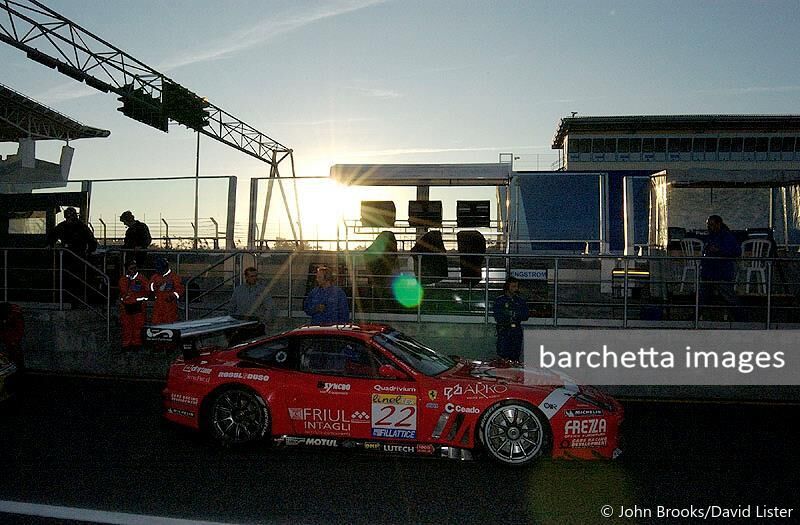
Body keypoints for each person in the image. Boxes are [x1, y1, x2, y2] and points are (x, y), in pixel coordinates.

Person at [700, 215, 741, 319]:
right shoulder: (711, 237)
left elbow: (736, 252)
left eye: (712, 225)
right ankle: (698, 316)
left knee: (728, 297)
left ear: (718, 224)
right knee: (704, 297)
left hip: (720, 272)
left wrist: (719, 251)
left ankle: (741, 318)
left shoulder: (726, 237)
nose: (709, 227)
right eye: (708, 225)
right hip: (710, 272)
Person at [492, 276, 530, 362]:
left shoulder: (520, 301)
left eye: (516, 286)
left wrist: (516, 314)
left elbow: (526, 315)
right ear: (507, 287)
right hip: (504, 329)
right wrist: (508, 315)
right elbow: (498, 316)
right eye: (513, 286)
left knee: (515, 355)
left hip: (516, 329)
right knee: (503, 355)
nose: (515, 289)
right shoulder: (500, 300)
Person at [118, 259, 149, 351]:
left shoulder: (142, 278)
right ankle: (126, 344)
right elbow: (123, 291)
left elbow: (148, 290)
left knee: (138, 325)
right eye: (131, 268)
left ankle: (137, 344)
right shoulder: (123, 279)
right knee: (126, 326)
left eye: (135, 268)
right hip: (126, 305)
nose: (133, 270)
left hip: (138, 305)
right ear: (127, 269)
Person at [149, 257, 184, 325]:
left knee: (169, 326)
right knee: (156, 325)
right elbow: (149, 287)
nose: (158, 270)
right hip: (158, 306)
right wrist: (156, 286)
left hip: (170, 306)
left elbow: (180, 290)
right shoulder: (155, 277)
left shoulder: (174, 277)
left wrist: (172, 296)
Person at [0, 302, 25, 370]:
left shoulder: (14, 316)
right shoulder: (15, 314)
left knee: (14, 353)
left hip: (11, 338)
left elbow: (18, 330)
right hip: (11, 337)